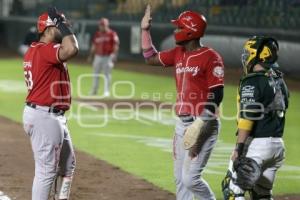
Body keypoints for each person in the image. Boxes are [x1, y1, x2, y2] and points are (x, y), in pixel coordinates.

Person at [141, 5, 225, 200]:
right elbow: (150, 58)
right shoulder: (179, 53)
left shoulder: (210, 57)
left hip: (203, 123)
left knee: (191, 179)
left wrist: (200, 122)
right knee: (180, 179)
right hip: (182, 124)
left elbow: (217, 93)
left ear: (191, 30)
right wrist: (145, 30)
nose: (175, 31)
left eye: (179, 28)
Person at [221, 36, 289, 200]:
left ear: (257, 55)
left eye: (248, 53)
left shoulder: (252, 81)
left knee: (232, 191)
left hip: (257, 146)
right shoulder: (279, 80)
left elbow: (247, 118)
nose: (245, 57)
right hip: (277, 146)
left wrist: (239, 148)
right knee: (262, 194)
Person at [22, 7, 78, 200]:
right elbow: (72, 48)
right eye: (58, 26)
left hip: (48, 115)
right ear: (47, 29)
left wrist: (59, 23)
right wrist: (60, 21)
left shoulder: (37, 50)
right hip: (45, 116)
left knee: (68, 164)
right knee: (46, 172)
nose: (63, 29)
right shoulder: (44, 50)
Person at [88, 17, 119, 97]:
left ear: (107, 25)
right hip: (98, 56)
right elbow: (94, 46)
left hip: (108, 57)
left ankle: (106, 91)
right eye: (101, 25)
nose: (102, 26)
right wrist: (91, 56)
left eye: (103, 25)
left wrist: (114, 55)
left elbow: (116, 45)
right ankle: (94, 90)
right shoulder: (97, 34)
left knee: (107, 75)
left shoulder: (112, 34)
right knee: (95, 74)